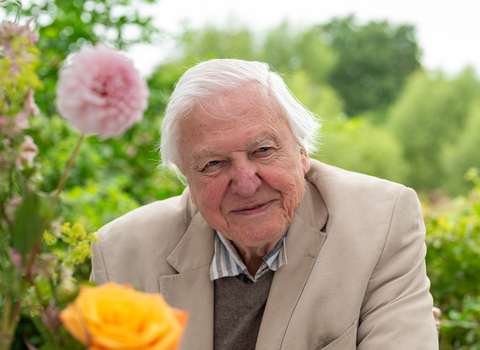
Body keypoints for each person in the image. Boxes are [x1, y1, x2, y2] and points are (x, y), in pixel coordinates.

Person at [90, 59, 439, 350]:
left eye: (263, 151)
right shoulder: (121, 255)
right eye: (213, 164)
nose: (245, 183)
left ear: (302, 152)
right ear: (187, 178)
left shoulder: (382, 220)